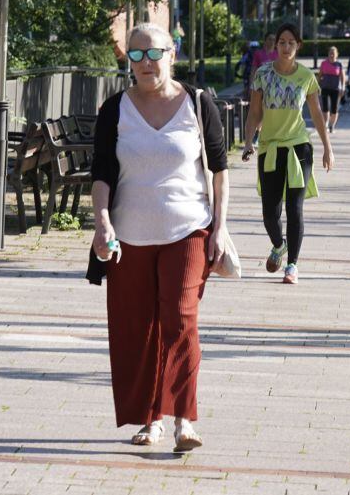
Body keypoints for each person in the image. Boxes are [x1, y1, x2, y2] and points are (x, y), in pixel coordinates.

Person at [88, 23, 231, 451]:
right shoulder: (115, 110)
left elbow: (220, 171)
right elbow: (101, 175)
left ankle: (185, 418)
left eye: (154, 54)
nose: (145, 63)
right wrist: (101, 222)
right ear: (127, 61)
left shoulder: (198, 103)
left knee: (180, 317)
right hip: (128, 235)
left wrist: (220, 227)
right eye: (135, 56)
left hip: (188, 227)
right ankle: (150, 419)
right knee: (137, 327)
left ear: (173, 54)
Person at [243, 23, 334, 285]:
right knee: (270, 212)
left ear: (298, 46)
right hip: (270, 147)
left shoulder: (306, 76)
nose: (285, 47)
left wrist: (328, 148)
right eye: (282, 42)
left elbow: (316, 114)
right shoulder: (262, 74)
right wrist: (249, 142)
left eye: (291, 42)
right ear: (276, 45)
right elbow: (254, 113)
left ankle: (292, 265)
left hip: (299, 148)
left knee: (295, 208)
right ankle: (278, 244)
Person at [317, 46, 346, 133]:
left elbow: (342, 77)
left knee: (334, 109)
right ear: (328, 54)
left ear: (337, 55)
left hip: (335, 89)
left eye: (333, 53)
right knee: (325, 108)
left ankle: (332, 125)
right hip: (325, 87)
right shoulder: (324, 63)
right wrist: (317, 86)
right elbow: (320, 75)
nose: (332, 55)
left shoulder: (339, 65)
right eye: (330, 53)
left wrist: (343, 87)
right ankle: (325, 124)